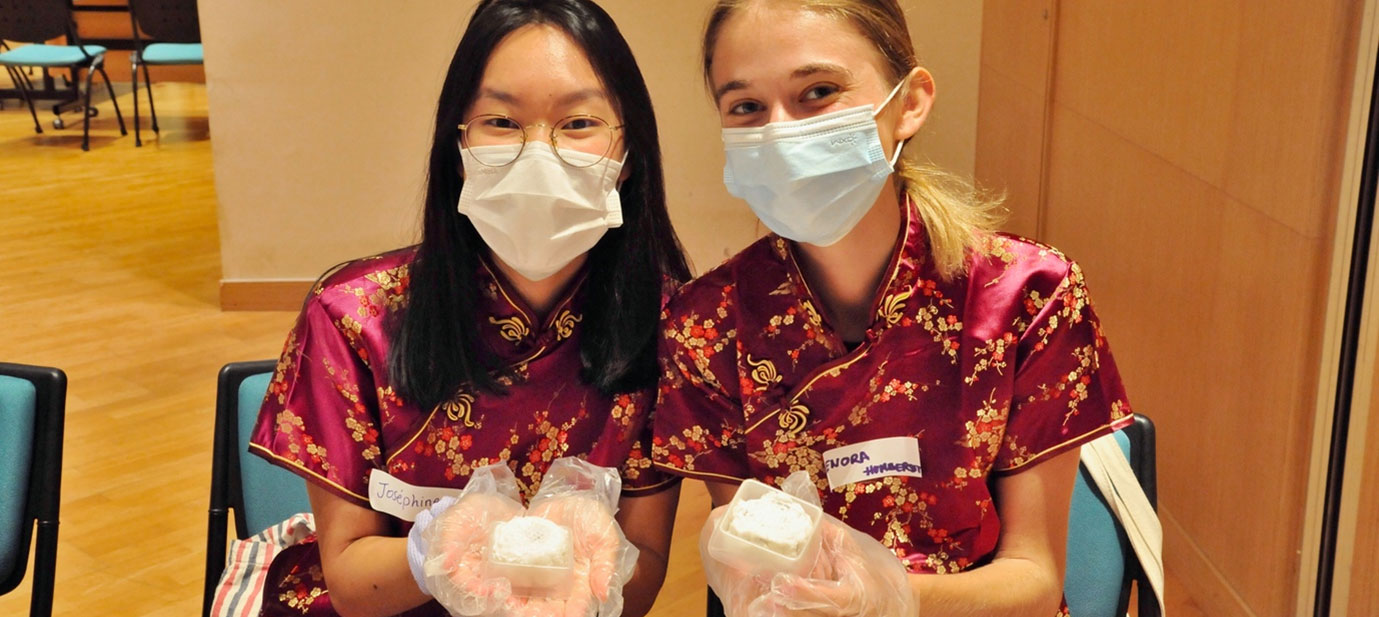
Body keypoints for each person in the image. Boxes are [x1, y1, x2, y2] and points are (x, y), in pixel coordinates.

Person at [651, 1, 1134, 615]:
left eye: (817, 91)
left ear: (909, 102)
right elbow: (748, 560)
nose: (780, 131)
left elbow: (1034, 582)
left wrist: (889, 597)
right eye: (746, 107)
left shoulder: (1028, 297)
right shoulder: (706, 325)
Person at [242, 1, 690, 615]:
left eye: (579, 123)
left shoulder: (671, 325)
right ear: (458, 149)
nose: (540, 154)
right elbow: (349, 579)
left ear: (629, 151)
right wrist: (441, 554)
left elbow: (642, 567)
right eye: (501, 123)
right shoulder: (353, 314)